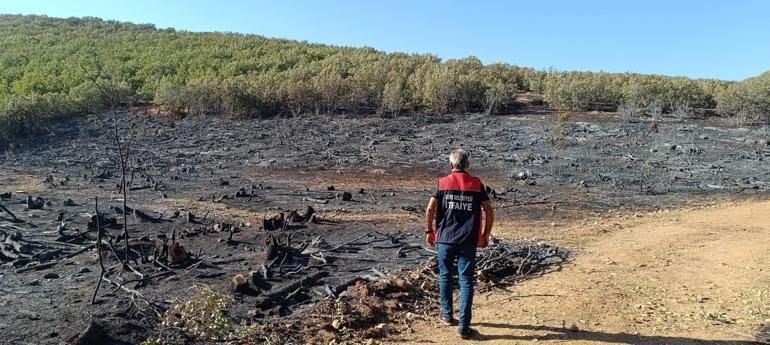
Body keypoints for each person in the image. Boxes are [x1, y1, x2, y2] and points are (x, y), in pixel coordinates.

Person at [424, 149, 495, 339]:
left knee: (445, 277)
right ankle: (464, 325)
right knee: (466, 280)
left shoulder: (441, 183)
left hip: (445, 239)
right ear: (468, 165)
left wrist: (429, 231)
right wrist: (485, 234)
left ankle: (447, 315)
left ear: (451, 166)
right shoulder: (477, 184)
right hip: (468, 240)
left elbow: (430, 209)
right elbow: (489, 210)